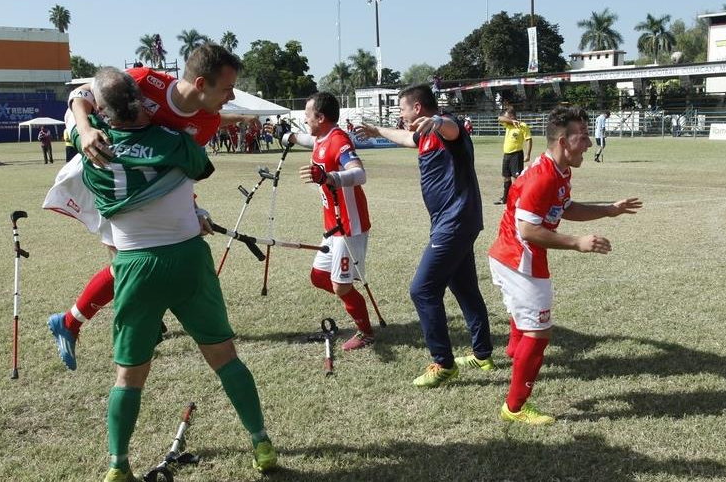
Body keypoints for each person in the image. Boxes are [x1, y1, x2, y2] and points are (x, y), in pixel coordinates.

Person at [71, 68, 277, 481]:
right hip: (187, 259)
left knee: (129, 376)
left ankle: (117, 465)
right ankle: (260, 441)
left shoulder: (88, 140)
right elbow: (200, 168)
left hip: (132, 265)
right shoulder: (177, 143)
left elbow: (79, 104)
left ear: (104, 114)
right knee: (225, 358)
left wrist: (84, 118)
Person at [45, 44, 247, 371]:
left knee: (128, 266)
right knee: (126, 265)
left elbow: (175, 169)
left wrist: (192, 210)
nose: (232, 95)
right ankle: (78, 324)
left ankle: (78, 322)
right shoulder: (145, 79)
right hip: (109, 178)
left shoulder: (207, 122)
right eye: (226, 88)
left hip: (142, 189)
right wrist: (84, 129)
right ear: (200, 85)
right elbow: (82, 92)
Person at [489, 106, 642, 425]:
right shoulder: (542, 176)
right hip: (520, 261)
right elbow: (527, 230)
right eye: (583, 137)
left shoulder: (560, 170)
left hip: (514, 257)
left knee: (526, 323)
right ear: (563, 141)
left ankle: (515, 359)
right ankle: (515, 407)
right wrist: (577, 242)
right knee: (539, 331)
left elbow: (565, 207)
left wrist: (608, 210)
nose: (588, 144)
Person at [357, 84, 494, 388]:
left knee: (422, 290)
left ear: (417, 108)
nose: (401, 115)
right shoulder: (423, 133)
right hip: (456, 221)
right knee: (465, 287)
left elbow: (452, 129)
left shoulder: (446, 125)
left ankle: (443, 363)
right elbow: (407, 138)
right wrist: (376, 130)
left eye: (403, 109)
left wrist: (439, 122)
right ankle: (482, 353)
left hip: (454, 221)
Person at [290, 92, 376, 351]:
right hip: (333, 227)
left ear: (321, 117)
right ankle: (348, 293)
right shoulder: (321, 138)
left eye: (307, 115)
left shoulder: (338, 140)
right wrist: (289, 137)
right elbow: (308, 140)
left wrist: (329, 177)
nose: (305, 119)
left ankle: (365, 332)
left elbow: (359, 174)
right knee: (318, 277)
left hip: (350, 226)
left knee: (340, 286)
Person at [495, 104, 532, 205]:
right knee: (506, 177)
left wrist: (528, 154)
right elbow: (499, 118)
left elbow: (528, 140)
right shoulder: (508, 125)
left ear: (512, 115)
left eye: (507, 116)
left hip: (516, 155)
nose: (505, 118)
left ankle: (518, 199)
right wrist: (511, 121)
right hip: (506, 155)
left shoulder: (522, 125)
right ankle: (505, 198)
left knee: (516, 179)